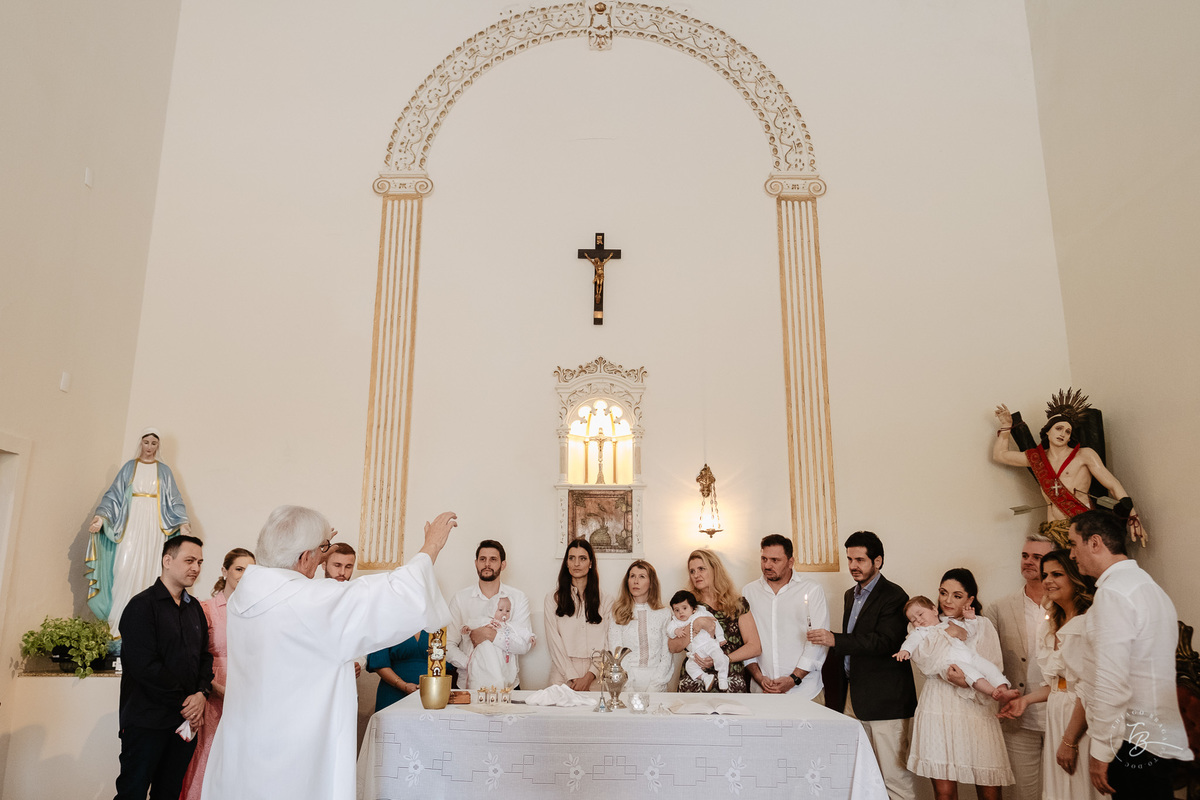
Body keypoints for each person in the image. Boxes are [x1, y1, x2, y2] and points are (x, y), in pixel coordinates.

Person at [200, 507, 457, 800]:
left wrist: (315, 547)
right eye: (321, 550)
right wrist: (430, 547)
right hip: (292, 757)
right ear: (304, 557)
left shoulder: (245, 595)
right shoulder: (310, 603)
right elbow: (393, 595)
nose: (323, 555)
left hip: (244, 746)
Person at [1068, 509, 1192, 798]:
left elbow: (1111, 678)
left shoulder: (1113, 593)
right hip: (1160, 735)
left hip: (1133, 740)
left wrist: (1102, 748)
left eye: (1074, 544)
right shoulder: (1150, 588)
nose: (1072, 555)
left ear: (1095, 542)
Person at [808, 530, 918, 800]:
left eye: (860, 560)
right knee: (862, 776)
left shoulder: (894, 595)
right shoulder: (850, 594)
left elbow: (885, 642)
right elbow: (857, 642)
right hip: (854, 698)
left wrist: (836, 639)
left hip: (885, 702)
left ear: (877, 561)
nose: (853, 566)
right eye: (849, 559)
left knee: (894, 779)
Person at [113, 535, 212, 800]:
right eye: (189, 560)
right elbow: (145, 666)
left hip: (183, 723)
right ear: (167, 561)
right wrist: (186, 701)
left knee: (168, 793)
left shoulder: (195, 610)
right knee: (132, 792)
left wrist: (202, 693)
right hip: (147, 719)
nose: (196, 568)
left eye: (200, 562)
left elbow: (204, 657)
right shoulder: (141, 606)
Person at [998, 549, 1101, 800]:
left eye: (1057, 574)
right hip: (1057, 712)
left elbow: (1090, 689)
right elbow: (1058, 685)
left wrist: (1070, 740)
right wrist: (1026, 700)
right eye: (1045, 575)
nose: (1047, 581)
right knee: (1057, 790)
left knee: (1079, 789)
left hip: (1082, 719)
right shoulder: (1050, 624)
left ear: (1076, 578)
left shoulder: (1089, 622)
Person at [907, 568, 1013, 800]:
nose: (947, 600)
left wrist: (966, 682)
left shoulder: (982, 625)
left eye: (956, 595)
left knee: (989, 788)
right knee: (944, 793)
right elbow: (926, 663)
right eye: (943, 593)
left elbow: (992, 666)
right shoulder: (922, 624)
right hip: (938, 707)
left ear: (970, 599)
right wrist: (952, 677)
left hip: (977, 709)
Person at [993, 397, 1144, 549]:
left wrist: (1133, 516)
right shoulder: (1036, 458)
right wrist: (1006, 427)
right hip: (1054, 531)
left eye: (1068, 431)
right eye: (1058, 428)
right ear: (1048, 430)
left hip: (1083, 527)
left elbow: (1112, 484)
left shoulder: (1084, 455)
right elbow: (1000, 455)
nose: (1063, 434)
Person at [85, 428, 191, 640]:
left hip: (154, 526)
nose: (150, 447)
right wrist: (101, 517)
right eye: (146, 442)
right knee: (123, 569)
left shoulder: (164, 471)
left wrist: (183, 522)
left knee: (152, 571)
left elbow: (175, 500)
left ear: (158, 446)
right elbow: (113, 496)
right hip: (131, 524)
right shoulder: (129, 468)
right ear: (140, 443)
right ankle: (118, 627)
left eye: (154, 443)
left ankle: (148, 628)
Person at [180, 547, 254, 800]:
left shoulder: (256, 611)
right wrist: (217, 689)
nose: (245, 575)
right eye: (239, 569)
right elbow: (194, 658)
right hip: (212, 694)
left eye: (250, 570)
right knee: (208, 755)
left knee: (242, 758)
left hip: (247, 694)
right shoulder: (206, 608)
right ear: (225, 571)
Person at [984, 534, 1055, 800]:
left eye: (1037, 557)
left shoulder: (1067, 604)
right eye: (1025, 556)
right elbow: (984, 654)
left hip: (1060, 714)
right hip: (1019, 718)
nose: (1028, 562)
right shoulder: (1000, 608)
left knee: (1062, 792)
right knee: (1025, 794)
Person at [743, 533, 829, 700]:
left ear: (790, 562)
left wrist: (794, 679)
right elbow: (747, 641)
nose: (767, 565)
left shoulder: (811, 590)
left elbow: (819, 643)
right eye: (764, 559)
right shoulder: (749, 592)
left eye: (775, 560)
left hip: (805, 692)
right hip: (762, 692)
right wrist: (759, 677)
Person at [669, 549, 761, 693]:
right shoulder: (687, 605)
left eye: (701, 569)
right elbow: (673, 647)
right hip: (695, 680)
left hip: (731, 679)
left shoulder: (738, 604)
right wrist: (696, 625)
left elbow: (755, 647)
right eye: (692, 571)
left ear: (715, 569)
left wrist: (722, 659)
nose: (696, 575)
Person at [445, 540, 533, 689]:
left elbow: (524, 645)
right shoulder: (460, 598)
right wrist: (472, 664)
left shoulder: (518, 598)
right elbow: (447, 644)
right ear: (476, 563)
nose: (487, 564)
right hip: (468, 685)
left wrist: (489, 635)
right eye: (482, 559)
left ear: (503, 564)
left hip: (508, 686)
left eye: (493, 559)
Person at [895, 596, 1017, 702]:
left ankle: (1003, 689)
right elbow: (911, 641)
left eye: (920, 614)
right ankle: (993, 692)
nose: (919, 620)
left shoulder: (950, 622)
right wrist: (905, 650)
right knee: (972, 675)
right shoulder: (921, 631)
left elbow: (968, 633)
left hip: (970, 656)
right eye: (914, 620)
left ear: (934, 610)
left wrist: (970, 619)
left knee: (990, 668)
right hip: (954, 662)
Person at [543, 539, 609, 689]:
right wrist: (571, 675)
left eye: (582, 558)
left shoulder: (606, 600)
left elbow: (607, 642)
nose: (576, 563)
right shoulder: (553, 598)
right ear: (566, 563)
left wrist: (590, 675)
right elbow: (554, 642)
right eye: (571, 558)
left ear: (591, 563)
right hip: (562, 672)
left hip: (596, 675)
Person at [606, 560, 673, 692]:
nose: (636, 581)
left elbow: (667, 655)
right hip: (625, 682)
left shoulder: (664, 613)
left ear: (651, 583)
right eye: (632, 576)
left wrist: (655, 686)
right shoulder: (617, 612)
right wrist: (628, 685)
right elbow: (616, 650)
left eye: (642, 576)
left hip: (656, 683)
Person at [460, 595, 534, 689]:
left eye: (508, 611)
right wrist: (466, 628)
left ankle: (499, 685)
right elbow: (472, 625)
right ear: (492, 609)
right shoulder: (485, 621)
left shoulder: (509, 626)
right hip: (486, 654)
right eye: (500, 610)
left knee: (500, 672)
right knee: (484, 671)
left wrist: (529, 636)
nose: (504, 613)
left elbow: (521, 631)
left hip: (501, 656)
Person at [668, 590, 729, 690]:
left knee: (719, 656)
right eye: (676, 610)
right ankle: (706, 678)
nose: (681, 612)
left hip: (709, 645)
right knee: (689, 666)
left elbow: (715, 622)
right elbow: (669, 630)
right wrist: (675, 631)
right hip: (696, 652)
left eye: (684, 608)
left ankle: (722, 678)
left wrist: (720, 637)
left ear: (693, 609)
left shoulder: (701, 614)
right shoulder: (676, 622)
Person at [365, 631, 430, 712]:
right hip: (393, 693)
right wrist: (404, 685)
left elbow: (447, 661)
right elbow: (379, 662)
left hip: (431, 694)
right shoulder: (387, 625)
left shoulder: (439, 623)